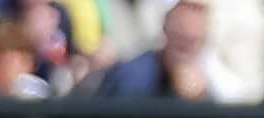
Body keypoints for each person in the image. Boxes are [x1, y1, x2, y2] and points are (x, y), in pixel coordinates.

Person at [91, 0, 239, 92]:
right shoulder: (131, 77)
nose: (189, 31)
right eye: (182, 18)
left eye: (197, 15)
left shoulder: (218, 79)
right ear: (166, 24)